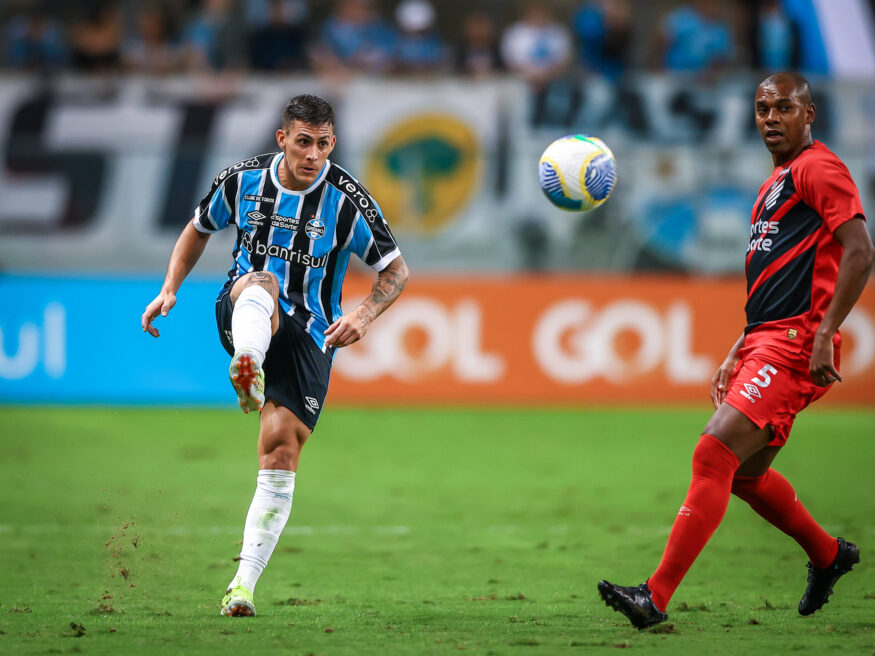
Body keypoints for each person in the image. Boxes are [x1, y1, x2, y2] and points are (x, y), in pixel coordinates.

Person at [598, 72, 873, 629]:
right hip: (766, 340)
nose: (771, 118)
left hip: (796, 345)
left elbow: (861, 251)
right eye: (762, 108)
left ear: (810, 113)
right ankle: (828, 555)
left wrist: (824, 333)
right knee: (745, 476)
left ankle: (654, 596)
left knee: (713, 453)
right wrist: (738, 348)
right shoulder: (776, 182)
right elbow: (776, 281)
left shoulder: (819, 168)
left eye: (784, 108)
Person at [141, 94, 409, 617]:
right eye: (304, 141)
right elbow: (198, 228)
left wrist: (363, 314)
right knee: (260, 282)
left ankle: (242, 586)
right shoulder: (241, 180)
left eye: (325, 143)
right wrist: (170, 288)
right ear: (282, 138)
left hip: (312, 333)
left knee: (281, 451)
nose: (314, 154)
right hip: (245, 307)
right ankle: (248, 364)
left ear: (333, 142)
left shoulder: (348, 198)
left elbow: (395, 271)